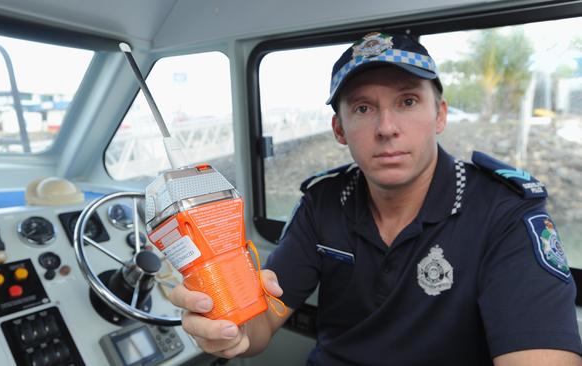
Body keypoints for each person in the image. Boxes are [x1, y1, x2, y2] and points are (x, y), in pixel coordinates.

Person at [169, 32, 582, 365]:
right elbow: (261, 326)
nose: (386, 127)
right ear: (339, 129)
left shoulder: (504, 211)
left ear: (439, 114)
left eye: (407, 101)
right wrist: (231, 328)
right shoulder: (323, 202)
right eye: (363, 108)